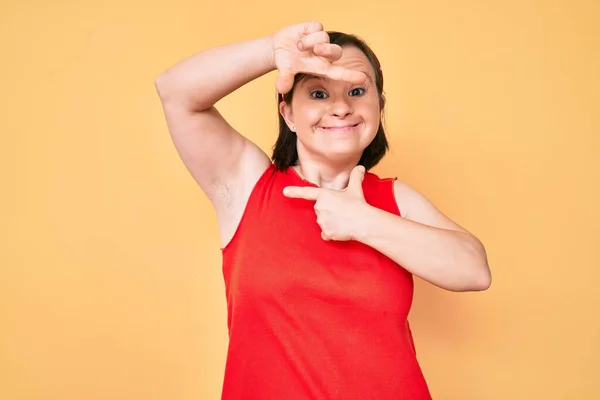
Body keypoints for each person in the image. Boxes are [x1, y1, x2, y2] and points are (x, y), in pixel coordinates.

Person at [155, 21, 491, 400]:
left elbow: (474, 269)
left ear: (378, 106)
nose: (341, 107)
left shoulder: (394, 200)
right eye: (318, 93)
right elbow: (175, 92)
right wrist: (271, 52)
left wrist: (362, 221)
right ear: (288, 113)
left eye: (357, 91)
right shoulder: (248, 185)